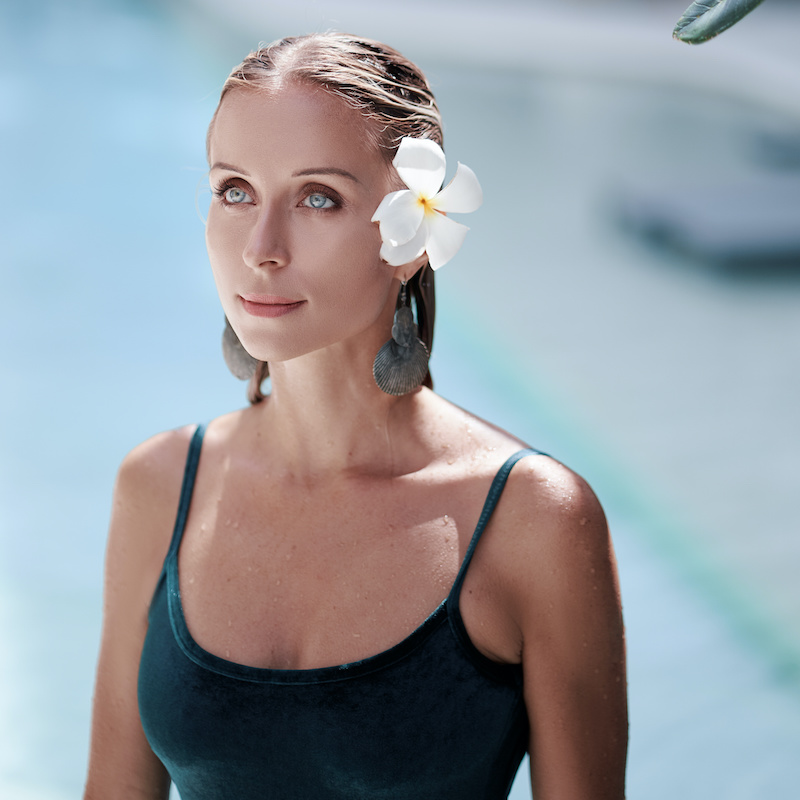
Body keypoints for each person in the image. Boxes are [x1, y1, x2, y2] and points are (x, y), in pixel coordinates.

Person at [83, 32, 627, 800]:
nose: (261, 249)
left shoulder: (534, 519)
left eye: (318, 198)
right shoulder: (158, 487)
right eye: (234, 189)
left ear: (409, 241)